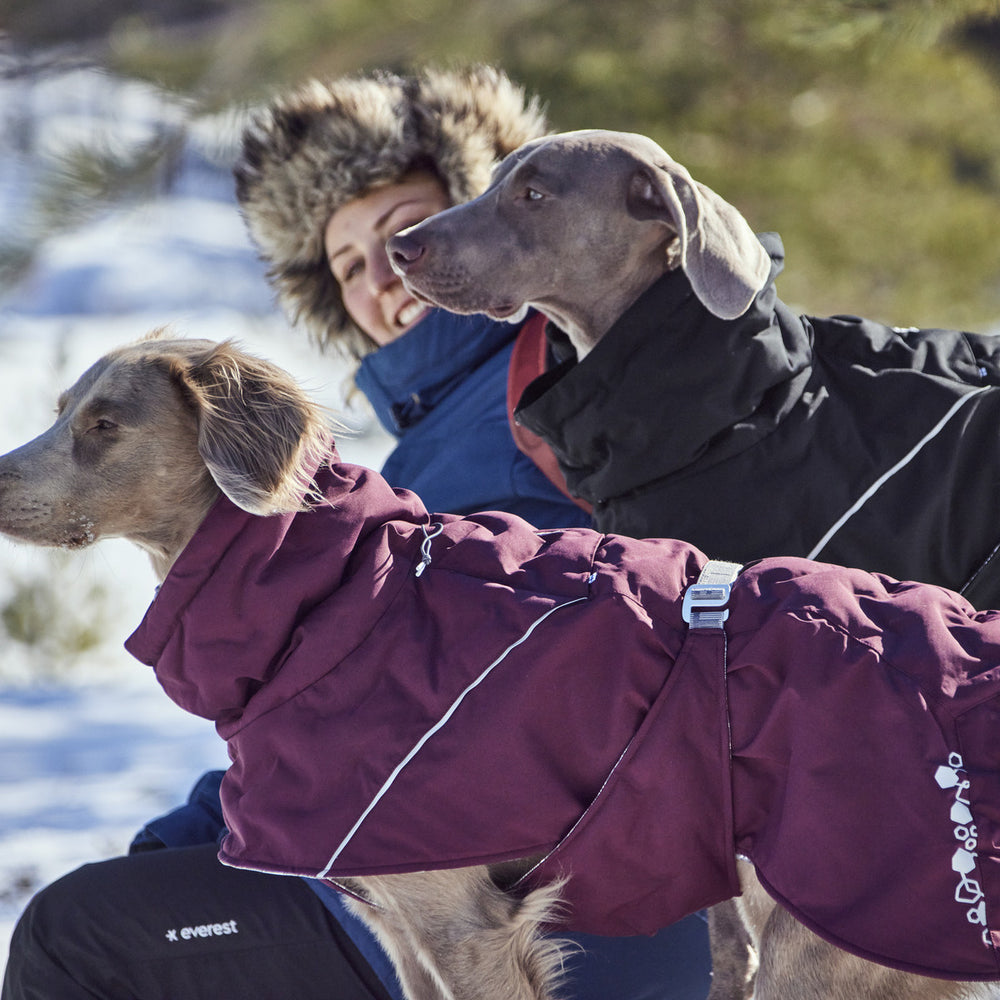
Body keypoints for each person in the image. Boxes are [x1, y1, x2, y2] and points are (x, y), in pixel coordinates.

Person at [3, 67, 710, 1000]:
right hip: (475, 872)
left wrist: (202, 832)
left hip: (525, 912)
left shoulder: (533, 419)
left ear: (487, 225)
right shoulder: (448, 436)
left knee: (78, 933)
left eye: (406, 230)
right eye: (346, 264)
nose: (385, 274)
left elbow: (405, 726)